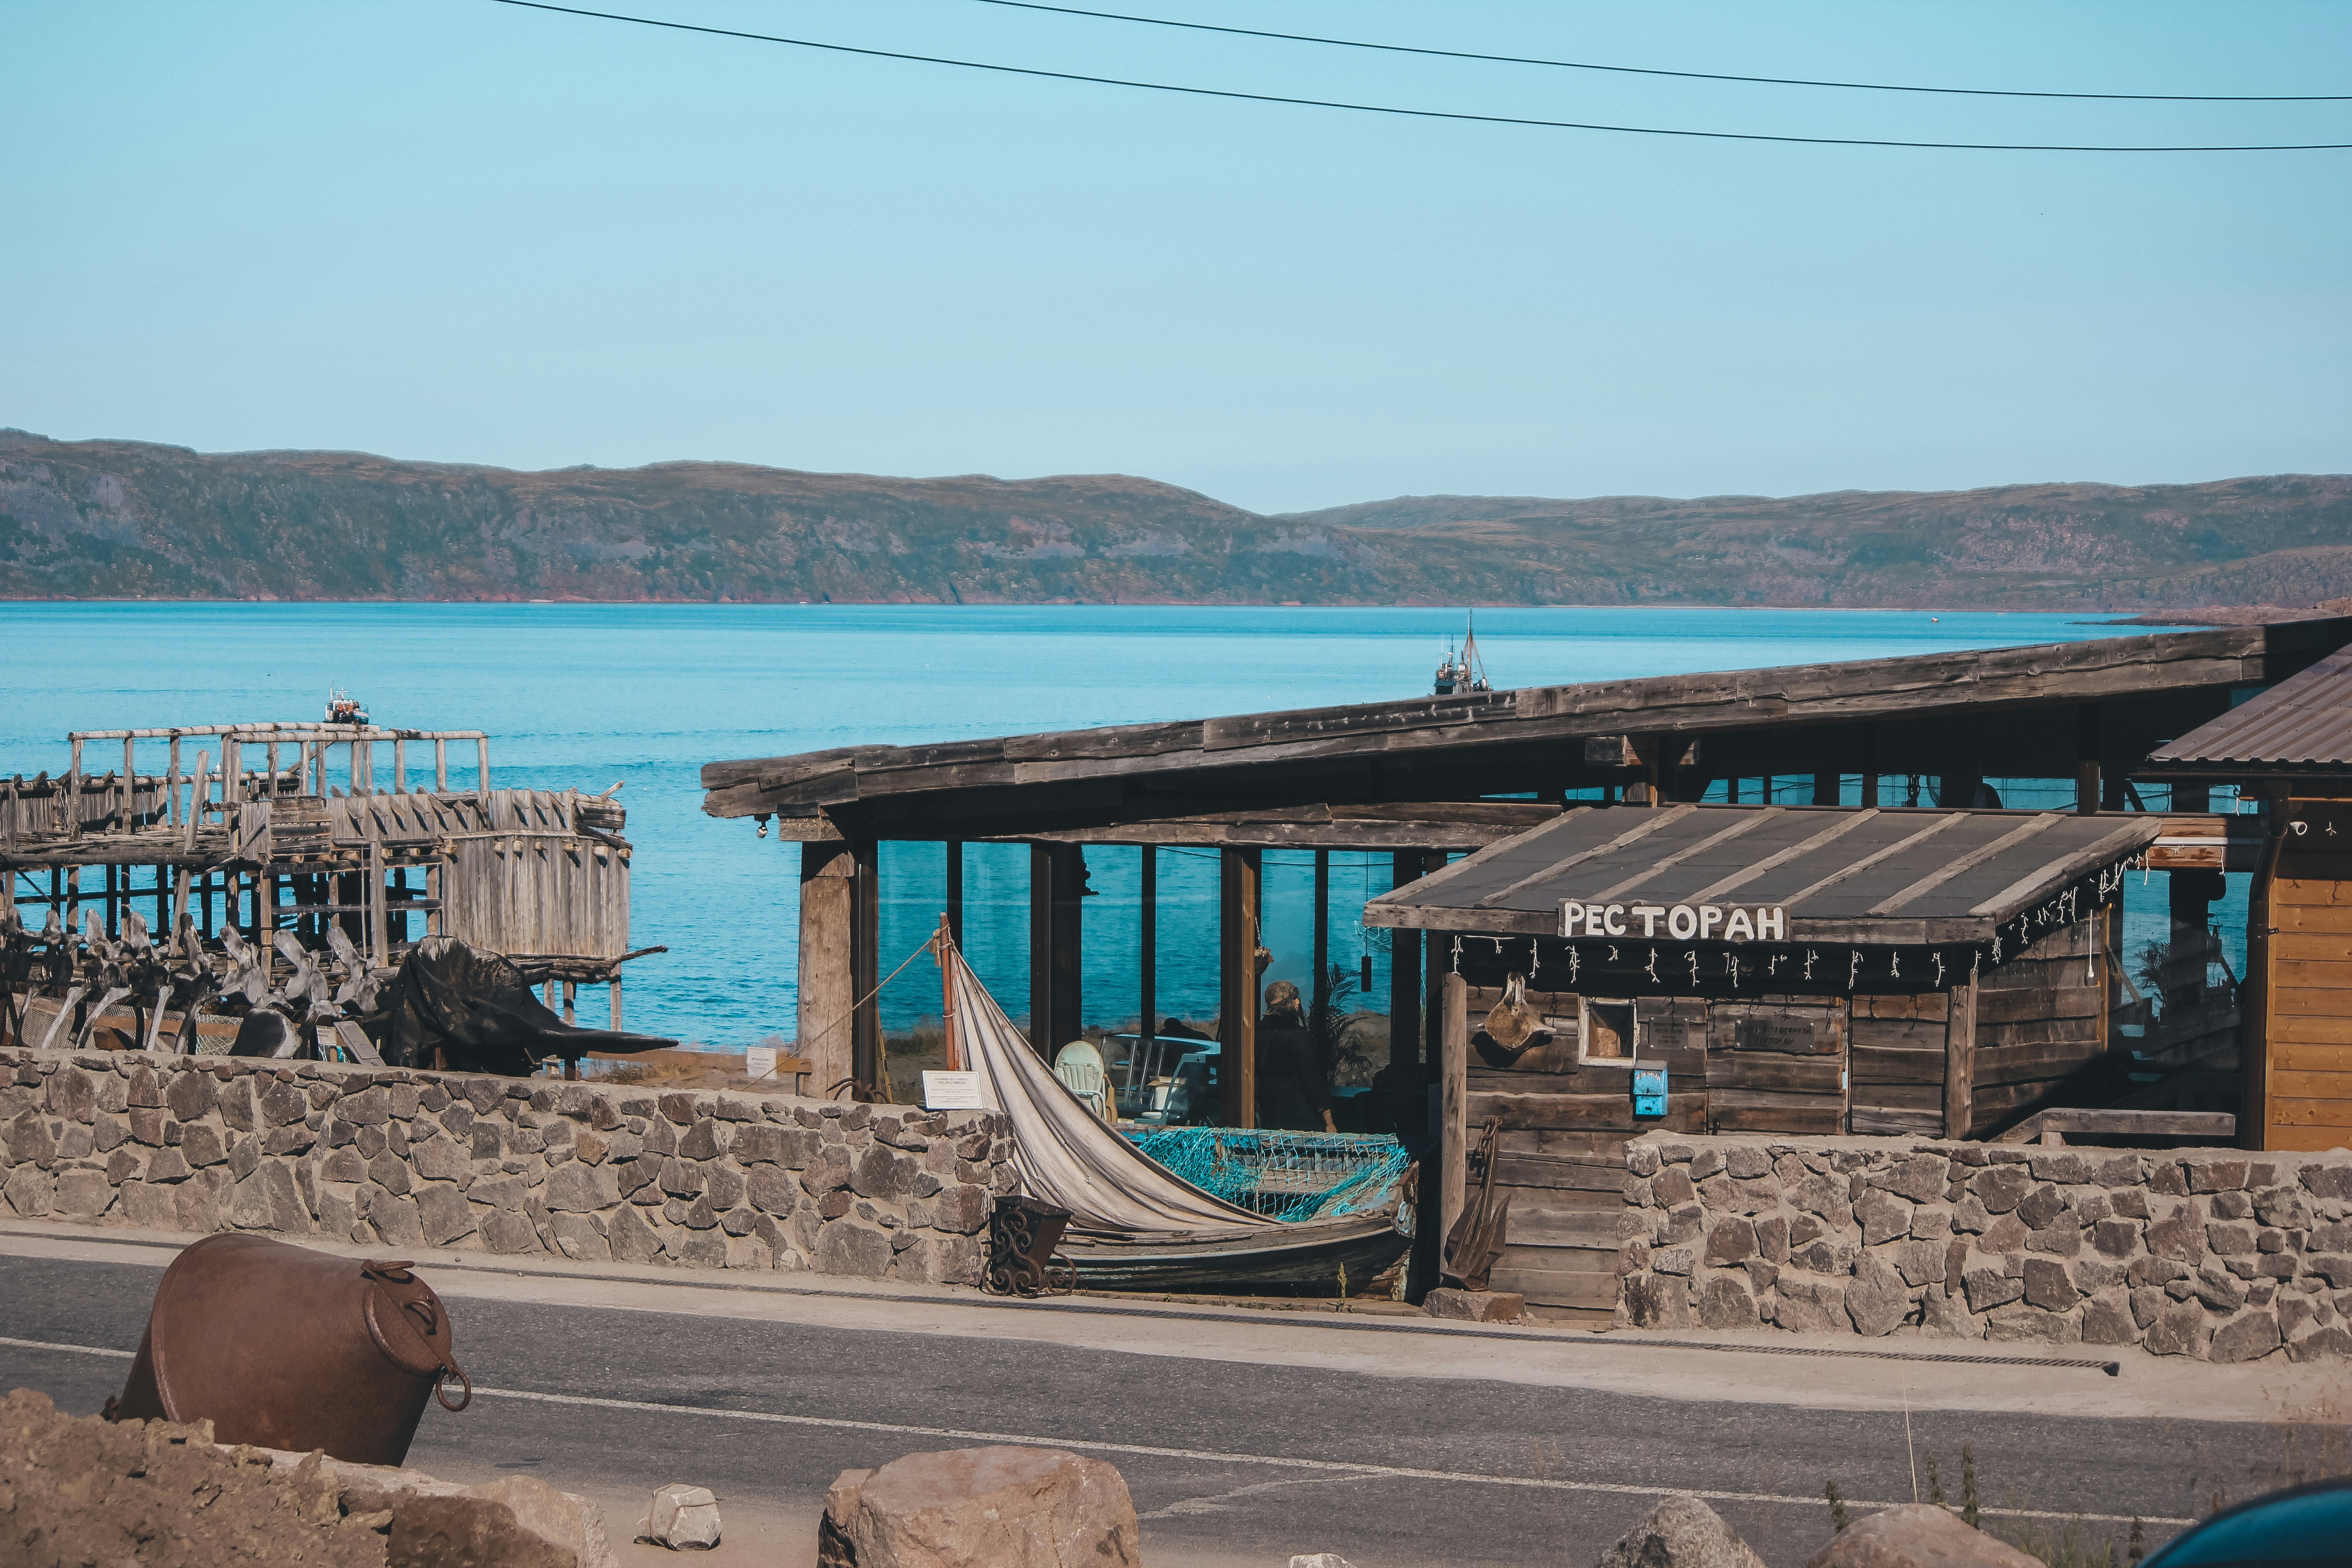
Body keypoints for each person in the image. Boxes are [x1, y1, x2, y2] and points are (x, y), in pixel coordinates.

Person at [1254, 980, 1335, 1132]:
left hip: (1266, 1117)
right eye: (1294, 998)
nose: (1298, 1002)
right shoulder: (1299, 1037)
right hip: (1299, 1118)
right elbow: (1312, 1081)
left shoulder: (1255, 1034)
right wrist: (1329, 1121)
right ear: (1286, 1002)